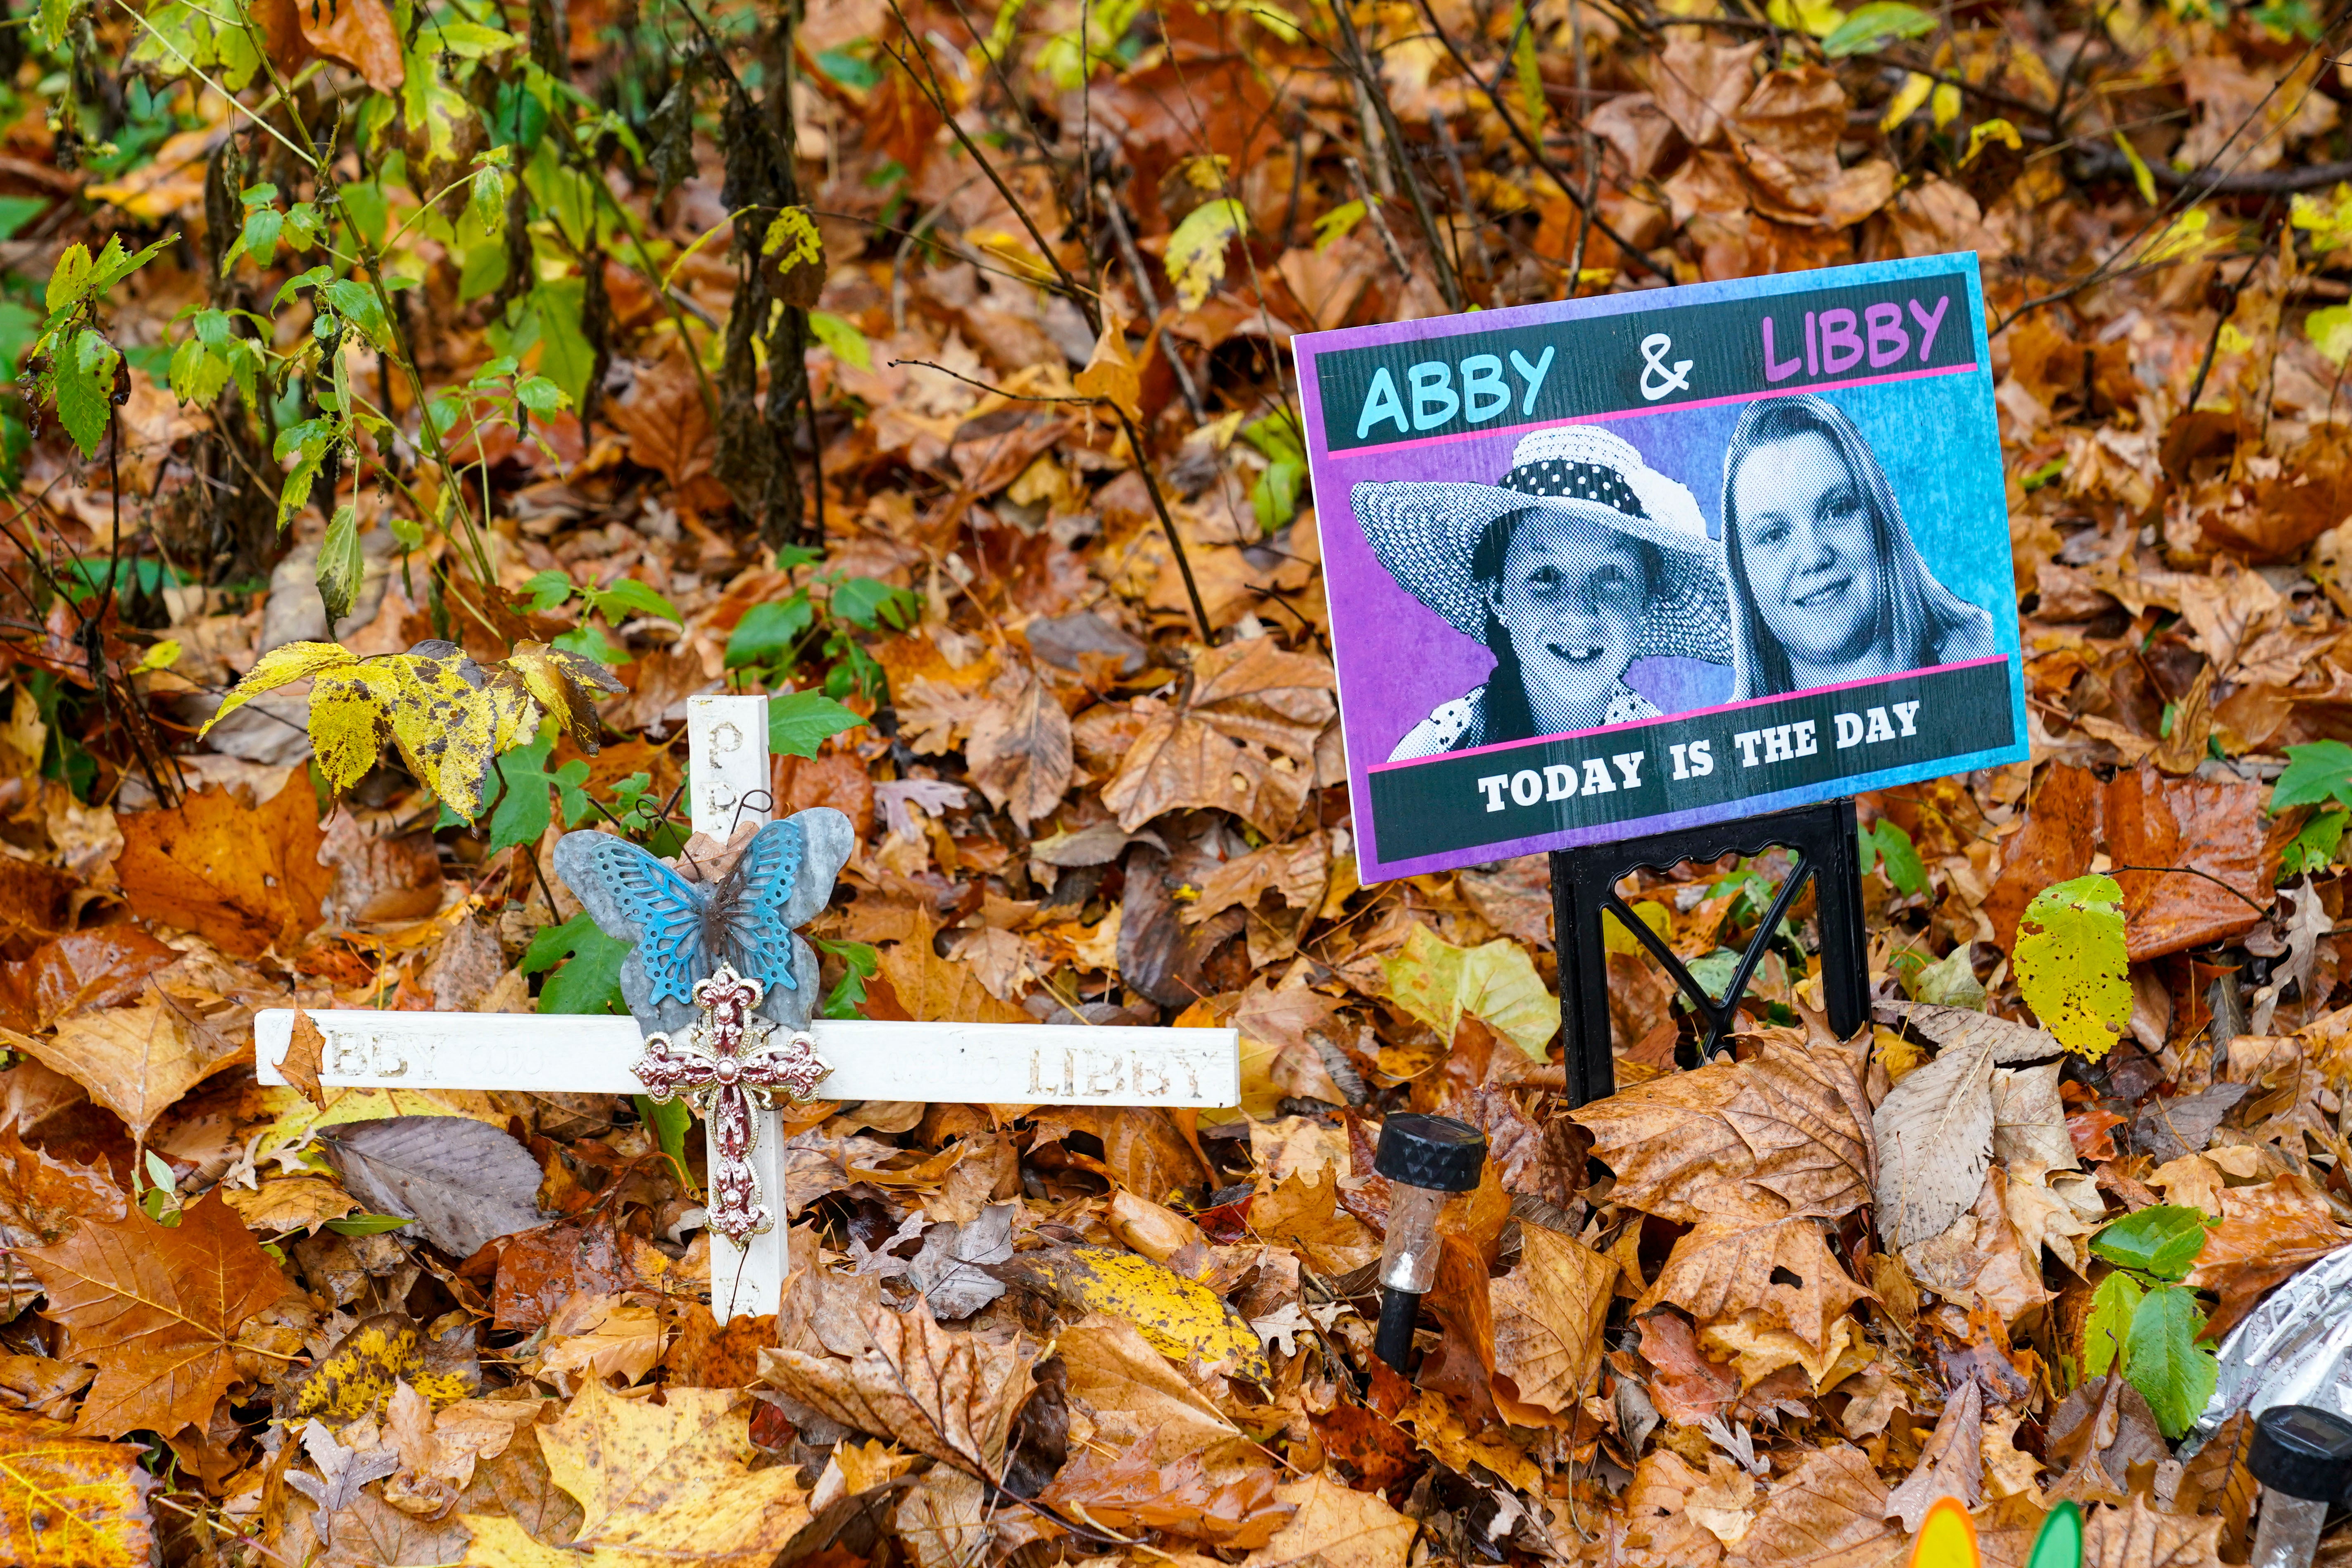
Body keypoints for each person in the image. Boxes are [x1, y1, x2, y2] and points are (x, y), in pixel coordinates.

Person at [1351, 426, 1734, 760]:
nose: (1578, 615)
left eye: (1611, 575)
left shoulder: (1664, 757)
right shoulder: (1440, 748)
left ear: (1645, 602)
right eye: (1545, 575)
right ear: (1497, 596)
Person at [1719, 394, 1998, 700]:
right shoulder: (1729, 741)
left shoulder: (1991, 653)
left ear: (1879, 519)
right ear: (1741, 573)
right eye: (1773, 535)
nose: (1813, 556)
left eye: (1836, 510)